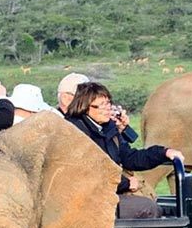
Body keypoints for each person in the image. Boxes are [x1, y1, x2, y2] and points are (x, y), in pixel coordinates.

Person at [65, 82, 182, 218]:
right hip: (86, 200)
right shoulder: (75, 132)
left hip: (108, 192)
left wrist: (163, 153)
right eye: (101, 105)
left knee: (154, 202)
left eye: (108, 103)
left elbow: (130, 158)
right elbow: (89, 171)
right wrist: (125, 184)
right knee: (148, 208)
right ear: (84, 107)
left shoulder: (107, 129)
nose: (108, 109)